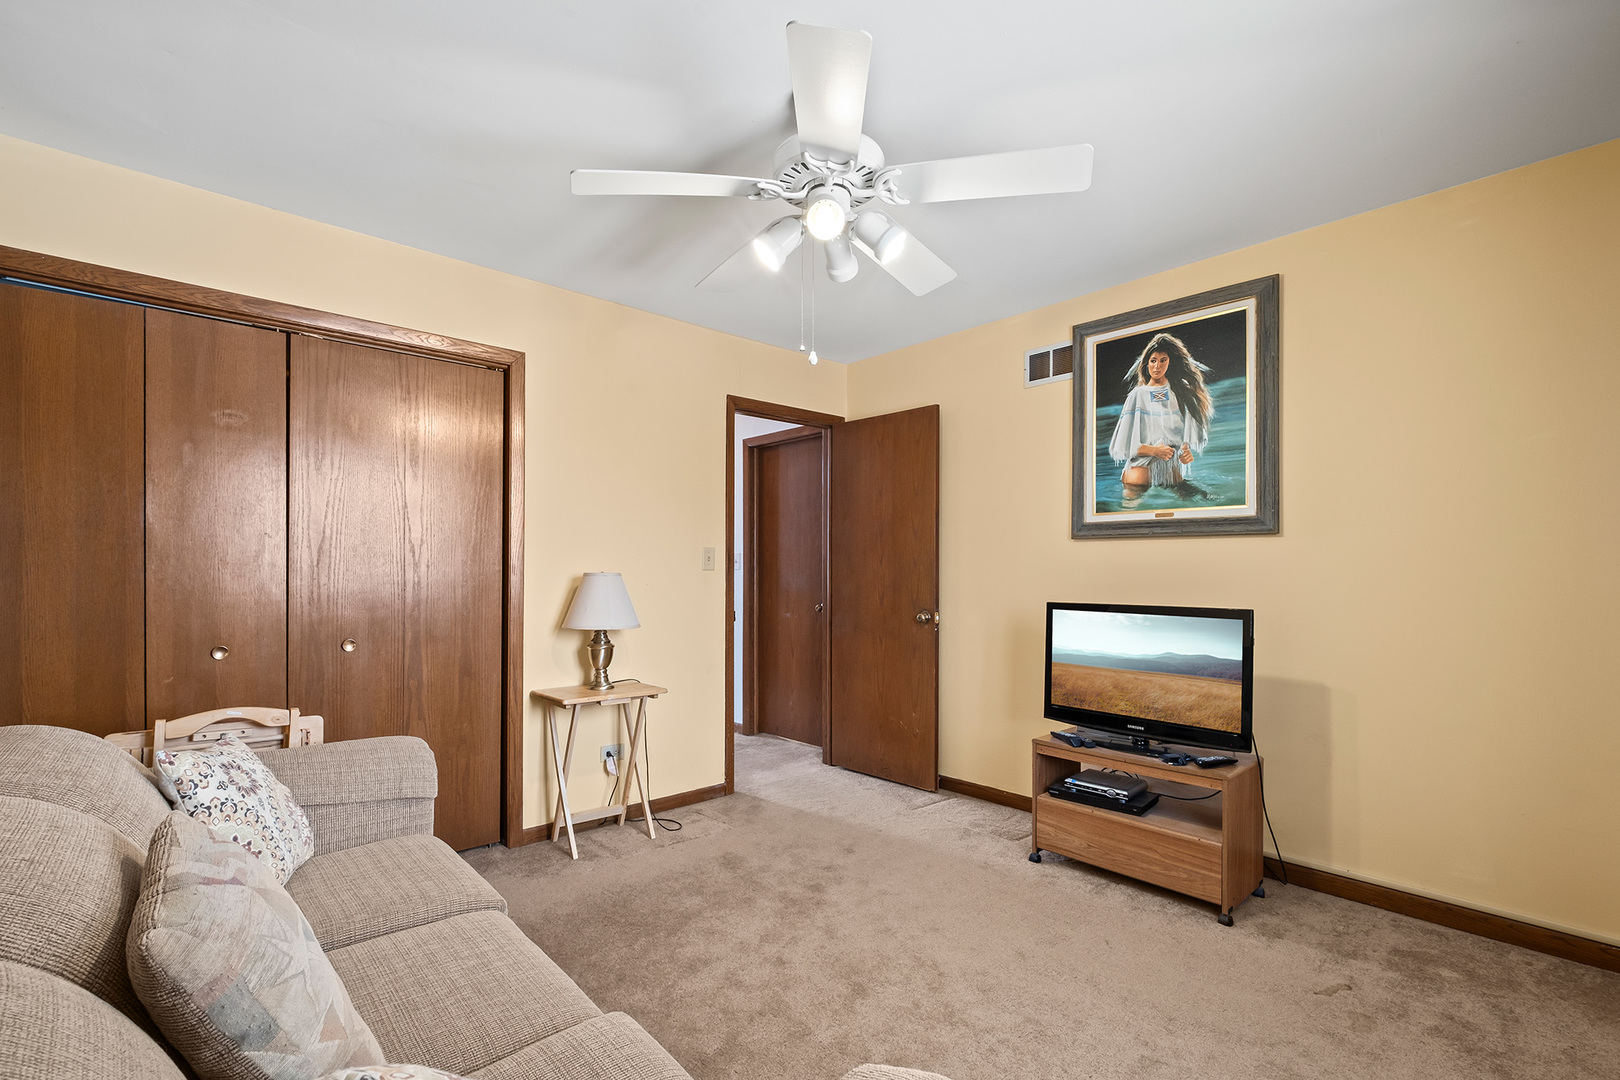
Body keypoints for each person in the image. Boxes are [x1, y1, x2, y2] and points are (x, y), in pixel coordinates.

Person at [1107, 331, 1213, 500]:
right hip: (1139, 476)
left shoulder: (1181, 395)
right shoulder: (1138, 395)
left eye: (1163, 360)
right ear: (1146, 364)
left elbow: (1180, 438)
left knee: (1207, 500)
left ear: (1171, 363)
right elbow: (1122, 446)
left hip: (1171, 477)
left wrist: (1185, 452)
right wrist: (1154, 450)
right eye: (1153, 360)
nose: (1157, 366)